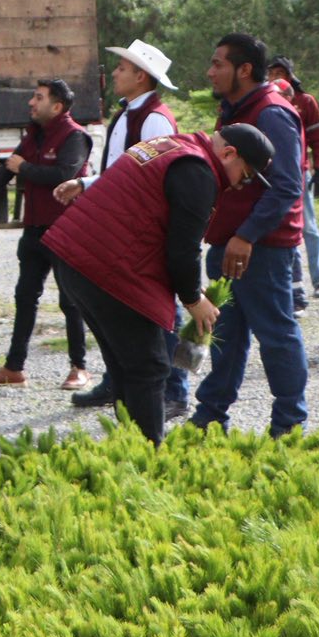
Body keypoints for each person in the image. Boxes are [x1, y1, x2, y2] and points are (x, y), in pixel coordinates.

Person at [42, 125, 271, 444]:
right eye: (244, 176)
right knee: (149, 367)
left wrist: (192, 291)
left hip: (75, 256)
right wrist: (194, 301)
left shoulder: (173, 146)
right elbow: (182, 250)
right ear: (229, 153)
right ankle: (149, 460)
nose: (238, 186)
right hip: (107, 265)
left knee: (125, 366)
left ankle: (126, 451)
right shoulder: (198, 171)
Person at [189, 34, 309, 437]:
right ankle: (210, 416)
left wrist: (247, 235)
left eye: (217, 63)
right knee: (224, 334)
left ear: (244, 70)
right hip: (228, 243)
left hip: (262, 249)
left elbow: (287, 184)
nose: (210, 71)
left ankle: (289, 425)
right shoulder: (234, 111)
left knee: (276, 334)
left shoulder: (272, 113)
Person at [67, 39, 187, 416]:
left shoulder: (153, 119)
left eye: (122, 68)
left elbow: (153, 178)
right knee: (119, 305)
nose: (115, 73)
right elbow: (119, 171)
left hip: (142, 229)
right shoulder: (129, 114)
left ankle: (173, 391)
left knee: (161, 308)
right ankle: (118, 380)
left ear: (141, 75)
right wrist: (85, 185)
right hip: (124, 226)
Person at [0, 79, 92, 390]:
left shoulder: (75, 137)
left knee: (71, 301)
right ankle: (14, 368)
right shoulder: (34, 136)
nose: (31, 102)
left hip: (66, 231)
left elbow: (64, 175)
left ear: (57, 106)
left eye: (38, 98)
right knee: (25, 298)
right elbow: (4, 173)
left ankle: (79, 367)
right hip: (35, 231)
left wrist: (24, 167)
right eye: (33, 96)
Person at [268, 57, 319, 304]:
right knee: (280, 229)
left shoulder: (306, 102)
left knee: (309, 228)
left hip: (300, 173)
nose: (275, 77)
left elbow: (318, 138)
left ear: (290, 75)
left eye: (280, 72)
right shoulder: (266, 102)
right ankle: (290, 287)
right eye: (271, 72)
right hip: (272, 174)